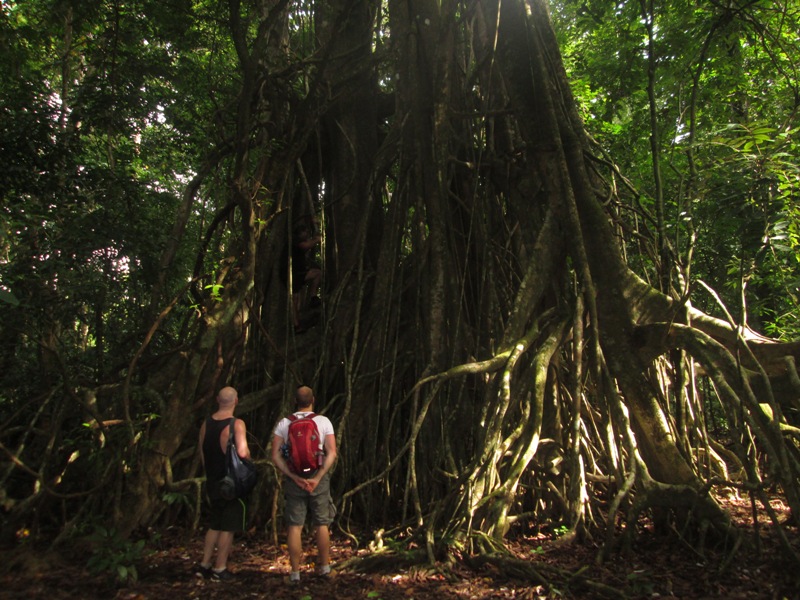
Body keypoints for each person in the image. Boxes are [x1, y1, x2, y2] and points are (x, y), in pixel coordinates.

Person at [271, 385, 337, 583]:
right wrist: (317, 478)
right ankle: (324, 568)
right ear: (313, 400)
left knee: (295, 526)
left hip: (295, 478)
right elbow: (332, 452)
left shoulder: (284, 422)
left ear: (295, 401)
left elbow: (275, 455)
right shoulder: (323, 421)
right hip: (318, 476)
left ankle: (295, 573)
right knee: (322, 523)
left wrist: (292, 476)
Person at [194, 386, 251, 581]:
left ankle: (204, 564)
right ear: (236, 401)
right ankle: (220, 568)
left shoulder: (206, 423)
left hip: (212, 481)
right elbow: (243, 453)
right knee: (228, 526)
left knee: (215, 523)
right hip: (230, 484)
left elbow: (202, 454)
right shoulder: (236, 424)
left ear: (218, 399)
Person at [289, 220, 322, 332]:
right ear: (300, 233)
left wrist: (315, 225)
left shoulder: (298, 240)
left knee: (317, 273)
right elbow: (305, 245)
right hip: (292, 274)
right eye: (305, 232)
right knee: (295, 300)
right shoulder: (295, 241)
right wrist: (317, 240)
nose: (307, 234)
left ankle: (313, 298)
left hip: (298, 273)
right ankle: (296, 325)